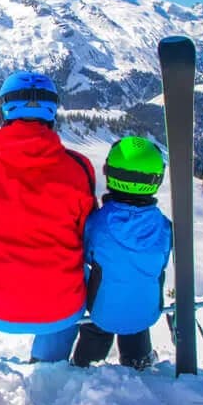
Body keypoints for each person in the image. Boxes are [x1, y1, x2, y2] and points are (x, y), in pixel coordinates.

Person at [0, 71, 96, 363]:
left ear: (3, 110)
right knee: (81, 273)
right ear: (52, 111)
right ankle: (49, 366)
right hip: (60, 309)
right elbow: (87, 235)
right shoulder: (78, 168)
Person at [71, 136, 172, 370]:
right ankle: (138, 360)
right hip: (146, 312)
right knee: (133, 311)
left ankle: (84, 365)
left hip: (100, 312)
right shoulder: (164, 227)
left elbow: (86, 254)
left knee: (102, 308)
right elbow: (162, 259)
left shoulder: (96, 223)